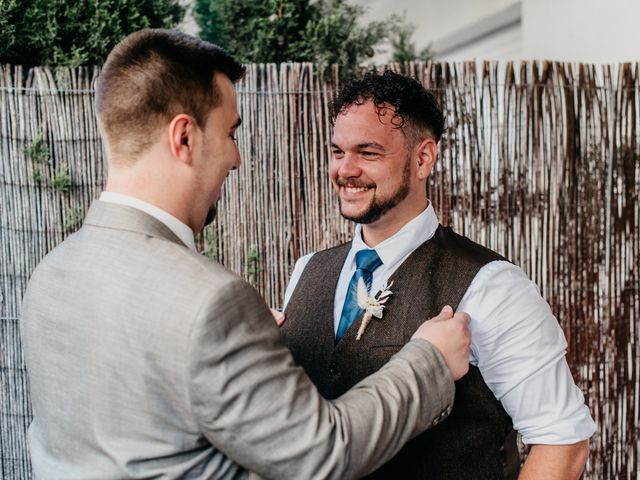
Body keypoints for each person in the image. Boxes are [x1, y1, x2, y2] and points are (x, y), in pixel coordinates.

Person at [19, 29, 476, 479]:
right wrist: (429, 359)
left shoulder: (51, 273)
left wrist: (246, 360)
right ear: (184, 138)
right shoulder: (207, 303)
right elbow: (322, 454)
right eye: (229, 133)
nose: (236, 158)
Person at [281, 70, 597, 479]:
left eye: (369, 153)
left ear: (423, 158)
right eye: (338, 151)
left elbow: (563, 441)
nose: (346, 169)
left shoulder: (492, 285)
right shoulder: (307, 269)